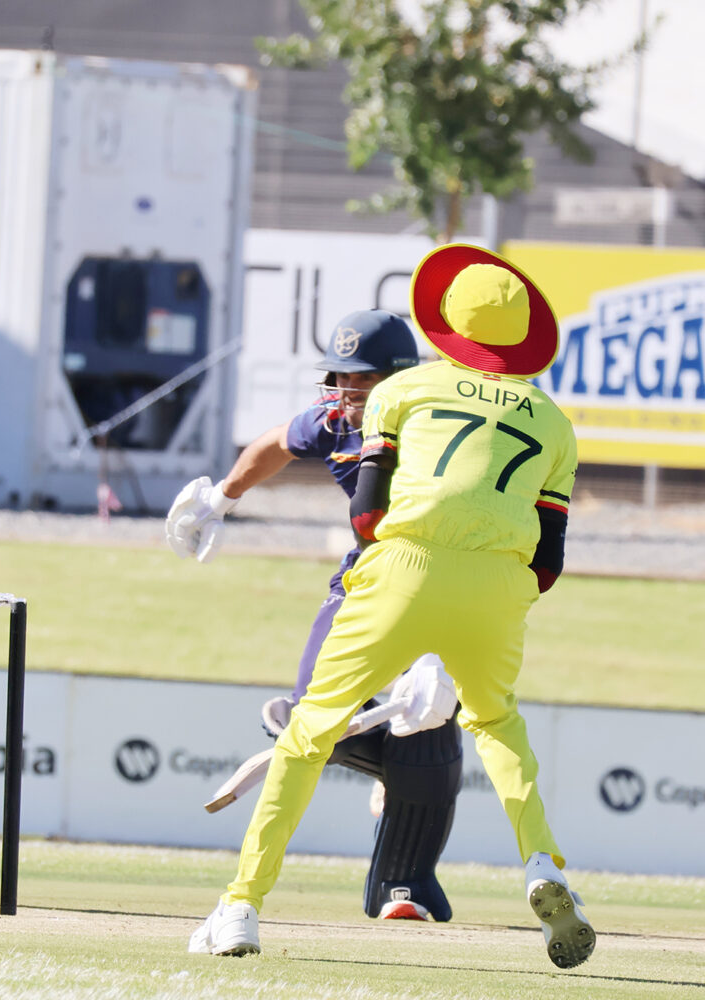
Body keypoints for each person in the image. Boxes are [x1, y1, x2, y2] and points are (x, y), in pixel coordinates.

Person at [186, 244, 594, 970]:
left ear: (447, 324)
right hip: (498, 589)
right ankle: (544, 866)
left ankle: (241, 906)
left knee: (308, 733)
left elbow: (369, 516)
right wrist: (477, 611)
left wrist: (414, 610)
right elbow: (549, 561)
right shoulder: (555, 422)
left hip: (400, 569)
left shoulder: (400, 394)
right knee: (498, 727)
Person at [166, 309, 465, 923]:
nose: (347, 391)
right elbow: (277, 442)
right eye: (341, 377)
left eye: (363, 380)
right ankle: (390, 760)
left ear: (399, 380)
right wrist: (222, 498)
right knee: (309, 717)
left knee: (439, 725)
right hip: (366, 576)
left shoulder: (434, 428)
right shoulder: (334, 420)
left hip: (443, 580)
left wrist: (442, 645)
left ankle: (419, 873)